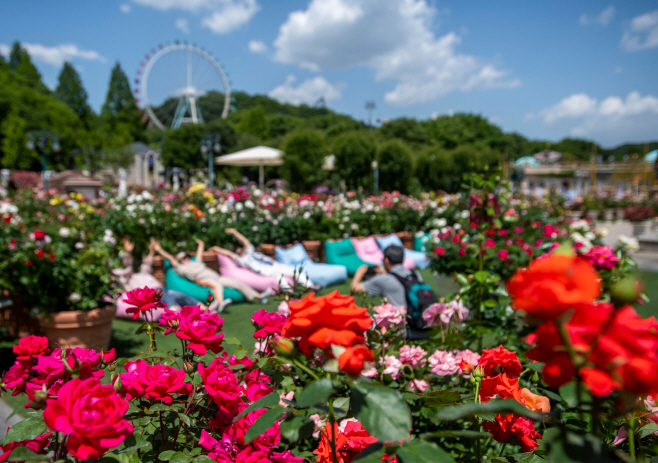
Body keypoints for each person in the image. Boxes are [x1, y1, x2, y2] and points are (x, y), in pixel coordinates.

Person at [153, 238, 271, 312]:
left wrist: (201, 243)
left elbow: (199, 253)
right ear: (180, 260)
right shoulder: (180, 268)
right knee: (216, 286)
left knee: (236, 283)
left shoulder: (195, 261)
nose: (187, 258)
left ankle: (259, 296)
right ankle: (220, 304)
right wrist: (159, 249)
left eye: (187, 256)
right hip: (203, 279)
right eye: (184, 258)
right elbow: (169, 258)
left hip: (216, 276)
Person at [210, 228, 316, 289]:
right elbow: (229, 254)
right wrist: (218, 249)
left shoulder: (250, 252)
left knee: (294, 271)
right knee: (279, 275)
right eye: (240, 250)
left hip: (274, 265)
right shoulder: (242, 260)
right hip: (267, 271)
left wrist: (234, 232)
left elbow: (245, 242)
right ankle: (288, 292)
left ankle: (311, 286)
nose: (243, 249)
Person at [115, 238, 199, 310]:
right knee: (168, 297)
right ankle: (175, 316)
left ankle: (205, 310)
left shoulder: (143, 273)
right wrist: (128, 253)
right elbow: (127, 264)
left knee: (182, 295)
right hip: (151, 293)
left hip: (162, 289)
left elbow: (148, 262)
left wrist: (152, 250)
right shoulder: (127, 277)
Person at [350, 245, 419, 308]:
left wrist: (361, 270)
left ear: (386, 260)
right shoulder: (415, 274)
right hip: (418, 318)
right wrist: (387, 273)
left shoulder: (384, 279)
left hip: (400, 320)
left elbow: (354, 289)